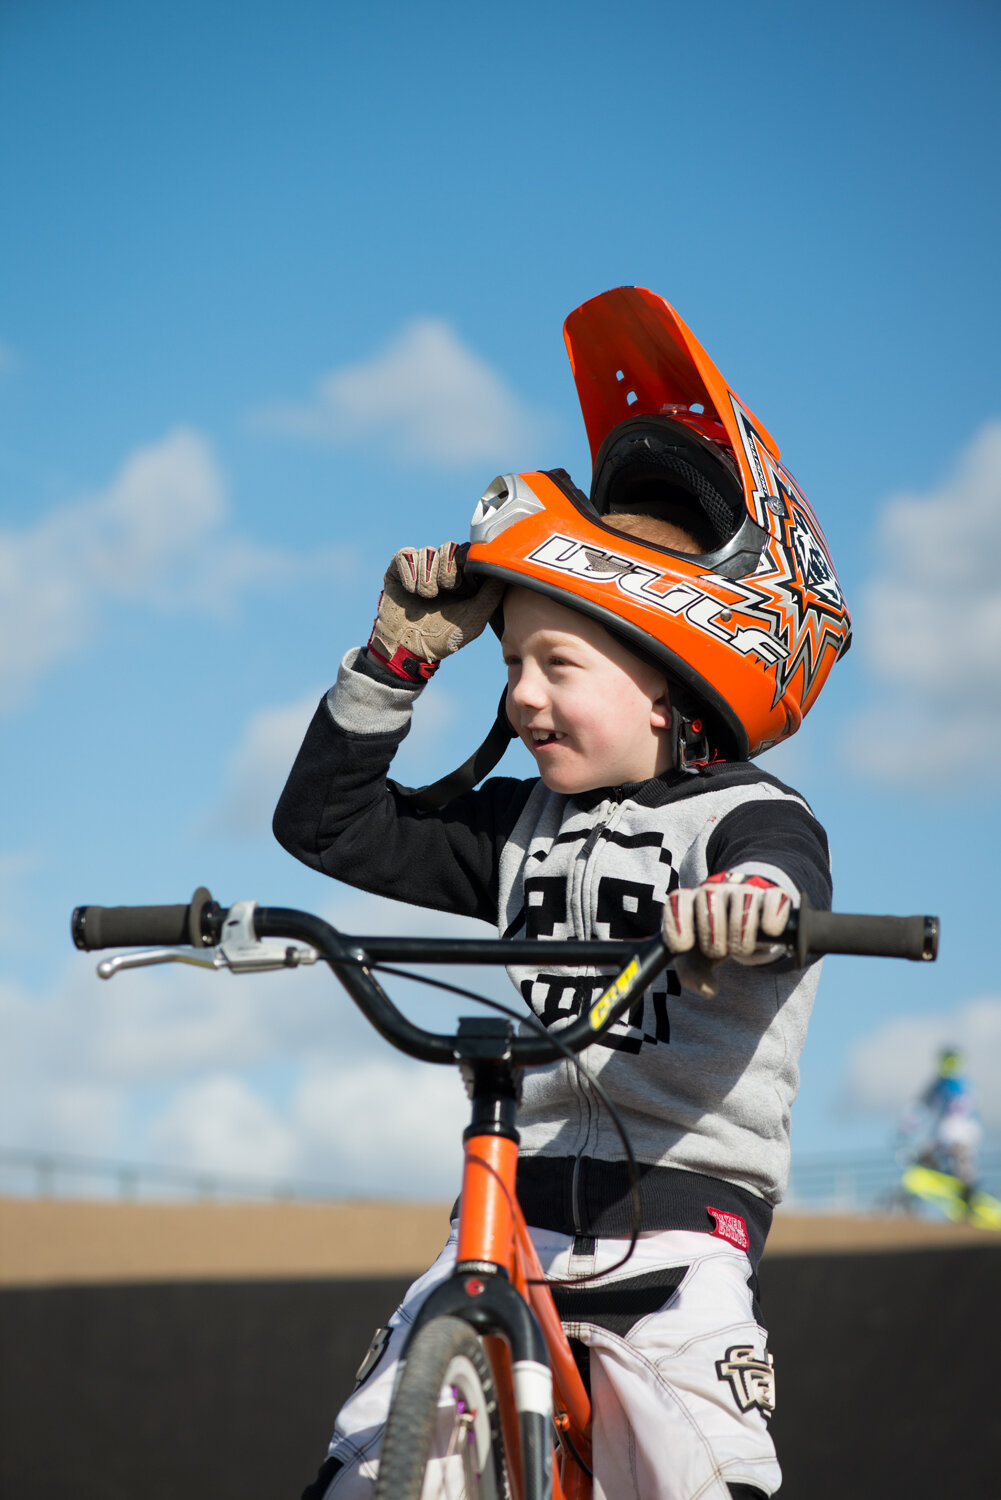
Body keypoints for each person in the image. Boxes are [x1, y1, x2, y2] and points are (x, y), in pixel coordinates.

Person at [273, 286, 852, 1500]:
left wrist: (741, 907)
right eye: (509, 664)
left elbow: (780, 878)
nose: (523, 697)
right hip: (505, 1203)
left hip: (677, 1226)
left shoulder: (745, 817)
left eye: (557, 665)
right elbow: (324, 825)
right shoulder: (518, 827)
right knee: (363, 1452)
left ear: (669, 683)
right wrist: (398, 656)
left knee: (700, 1469)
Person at [900, 1047, 982, 1200]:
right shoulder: (961, 1084)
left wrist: (908, 1126)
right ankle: (963, 1188)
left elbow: (920, 1106)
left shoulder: (947, 1084)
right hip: (953, 1134)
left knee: (958, 1161)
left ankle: (967, 1191)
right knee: (936, 1157)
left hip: (954, 1135)